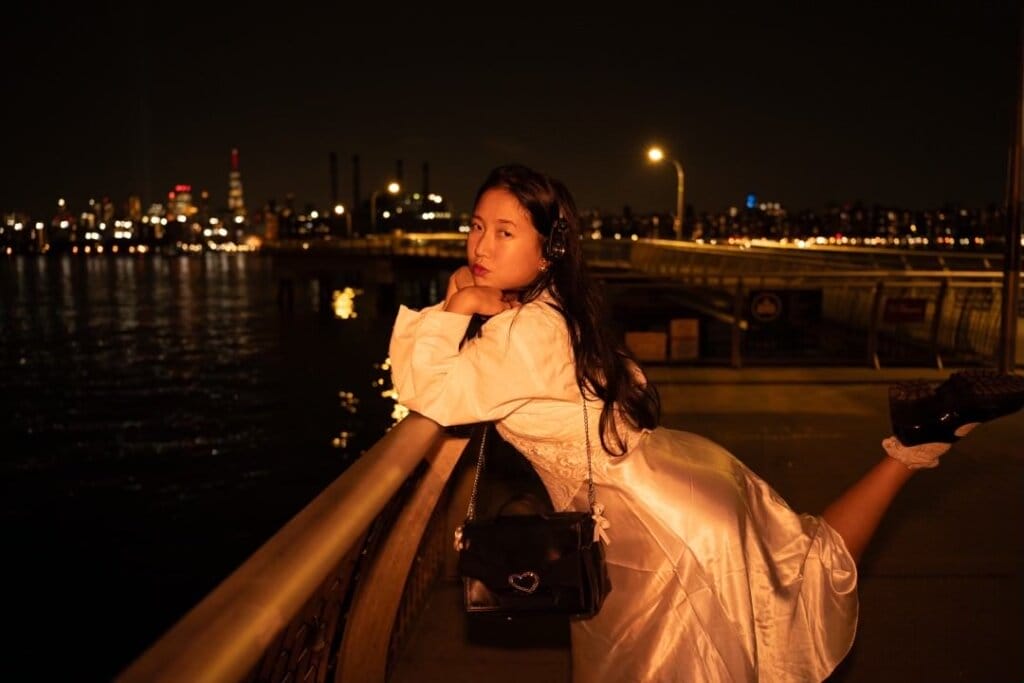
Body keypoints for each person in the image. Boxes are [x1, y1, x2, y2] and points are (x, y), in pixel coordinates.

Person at [387, 163, 1023, 682]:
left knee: (669, 664)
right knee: (800, 569)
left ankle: (917, 440)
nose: (479, 245)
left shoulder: (526, 331)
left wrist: (453, 306)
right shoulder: (558, 311)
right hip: (675, 483)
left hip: (656, 536)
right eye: (476, 226)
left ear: (548, 250)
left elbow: (432, 392)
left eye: (504, 232)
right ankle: (921, 436)